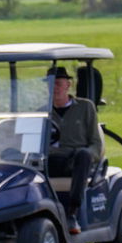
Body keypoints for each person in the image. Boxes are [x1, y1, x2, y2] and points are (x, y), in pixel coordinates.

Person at [45, 65, 103, 233]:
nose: (54, 88)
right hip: (49, 161)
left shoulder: (85, 107)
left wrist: (88, 156)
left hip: (74, 161)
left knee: (84, 155)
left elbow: (95, 144)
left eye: (58, 83)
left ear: (67, 85)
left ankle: (72, 213)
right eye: (50, 84)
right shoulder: (41, 112)